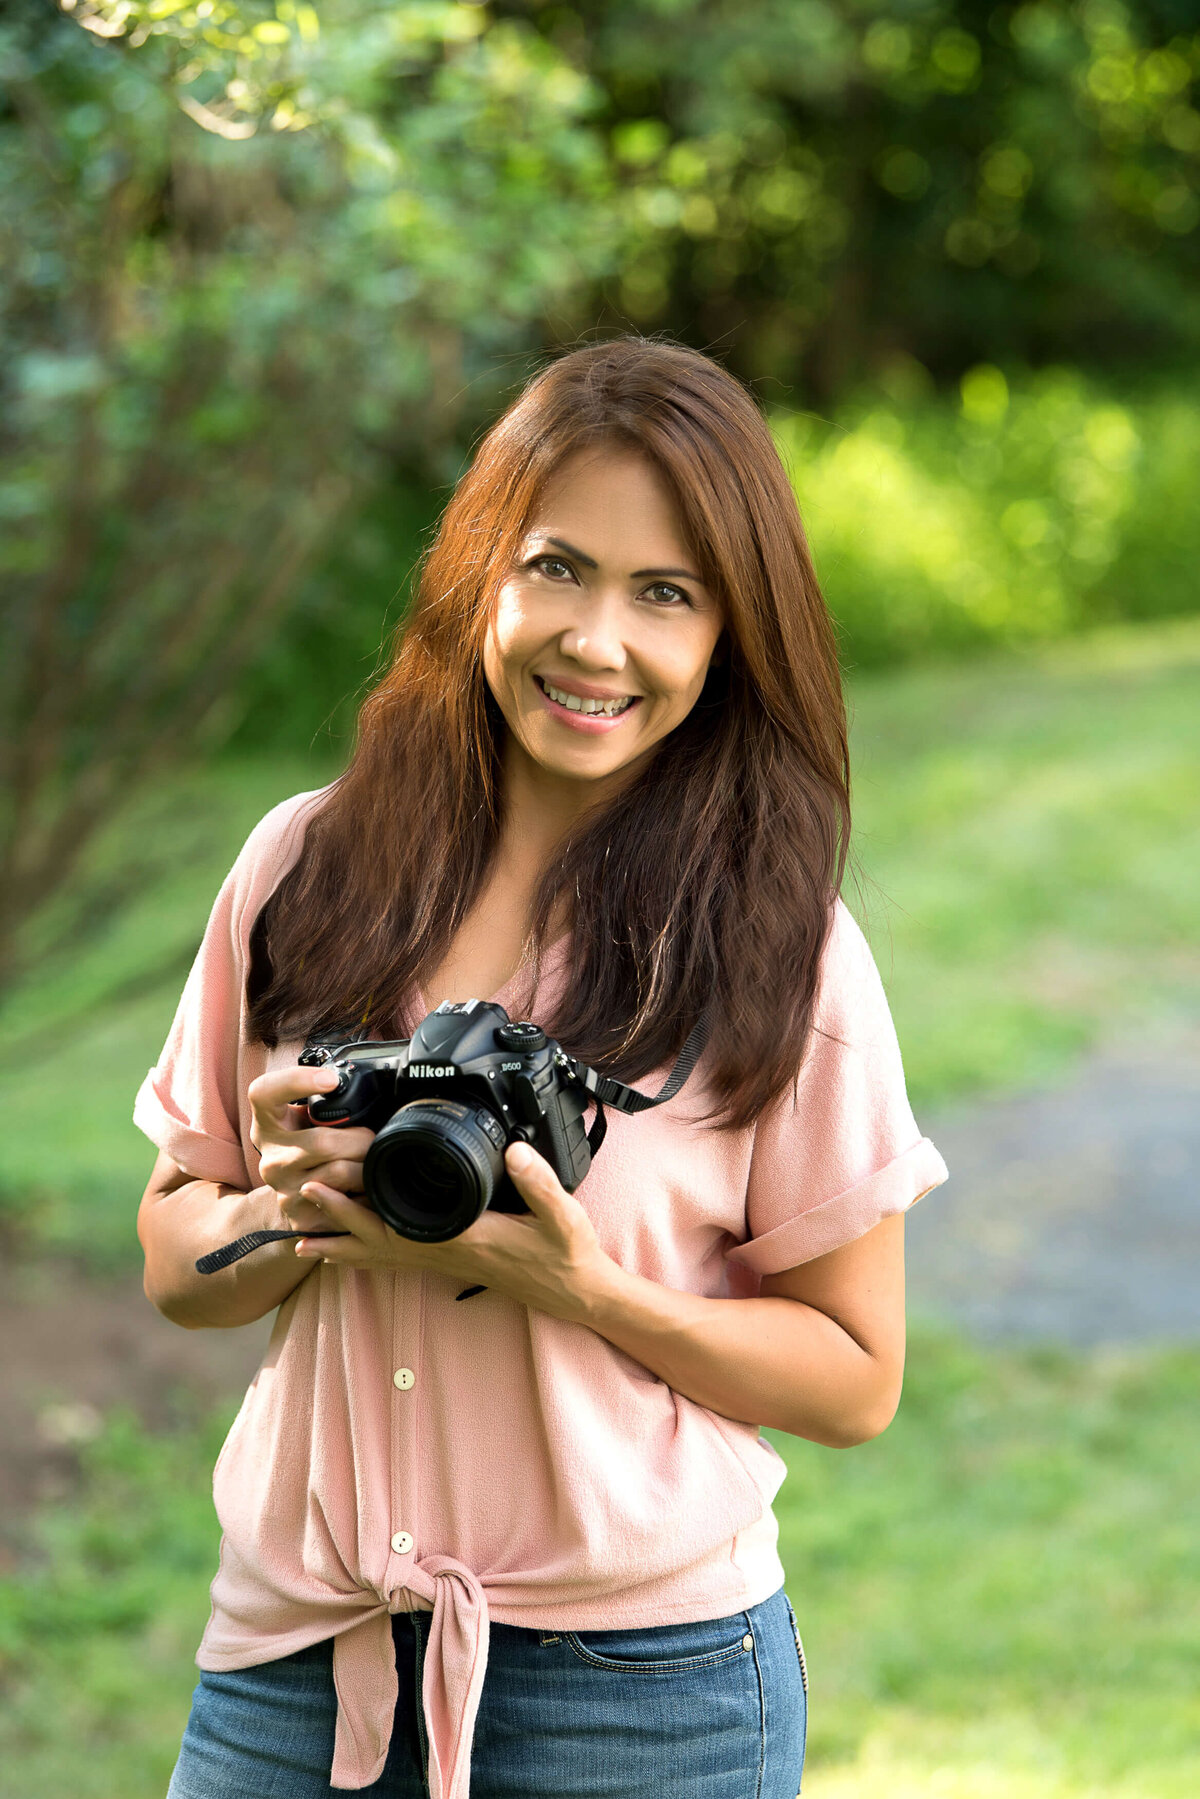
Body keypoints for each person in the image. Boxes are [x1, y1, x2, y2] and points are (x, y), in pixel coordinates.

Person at [136, 336, 948, 1799]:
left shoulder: (779, 951)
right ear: (483, 572)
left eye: (666, 594)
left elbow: (855, 1378)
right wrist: (286, 1210)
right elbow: (172, 1251)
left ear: (730, 635)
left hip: (640, 1703)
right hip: (292, 1674)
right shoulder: (302, 866)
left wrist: (585, 1293)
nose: (595, 641)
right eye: (558, 568)